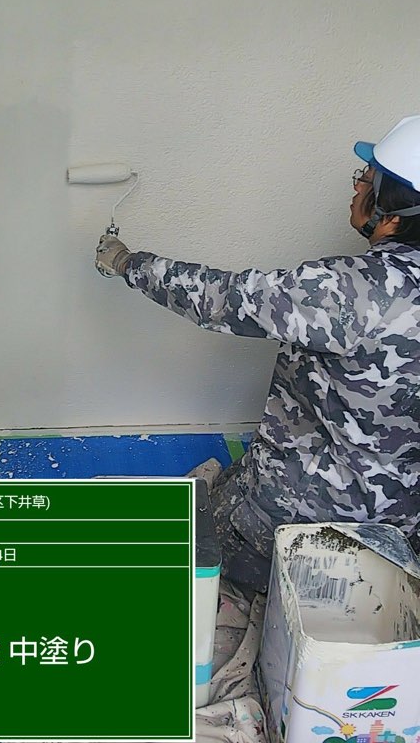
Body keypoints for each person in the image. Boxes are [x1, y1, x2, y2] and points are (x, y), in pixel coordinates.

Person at [95, 117, 420, 593]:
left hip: (319, 520)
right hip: (403, 523)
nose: (355, 189)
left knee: (196, 543)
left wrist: (127, 263)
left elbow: (222, 298)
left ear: (391, 215)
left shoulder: (350, 290)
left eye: (365, 180)